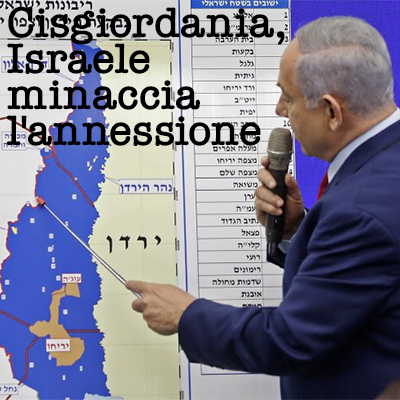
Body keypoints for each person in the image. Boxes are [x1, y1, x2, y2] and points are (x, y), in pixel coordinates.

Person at [126, 16, 400, 399]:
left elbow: (291, 340)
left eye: (288, 97)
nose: (278, 110)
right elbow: (363, 285)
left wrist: (185, 315)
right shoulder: (384, 167)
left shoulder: (359, 210)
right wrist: (297, 231)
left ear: (331, 112)